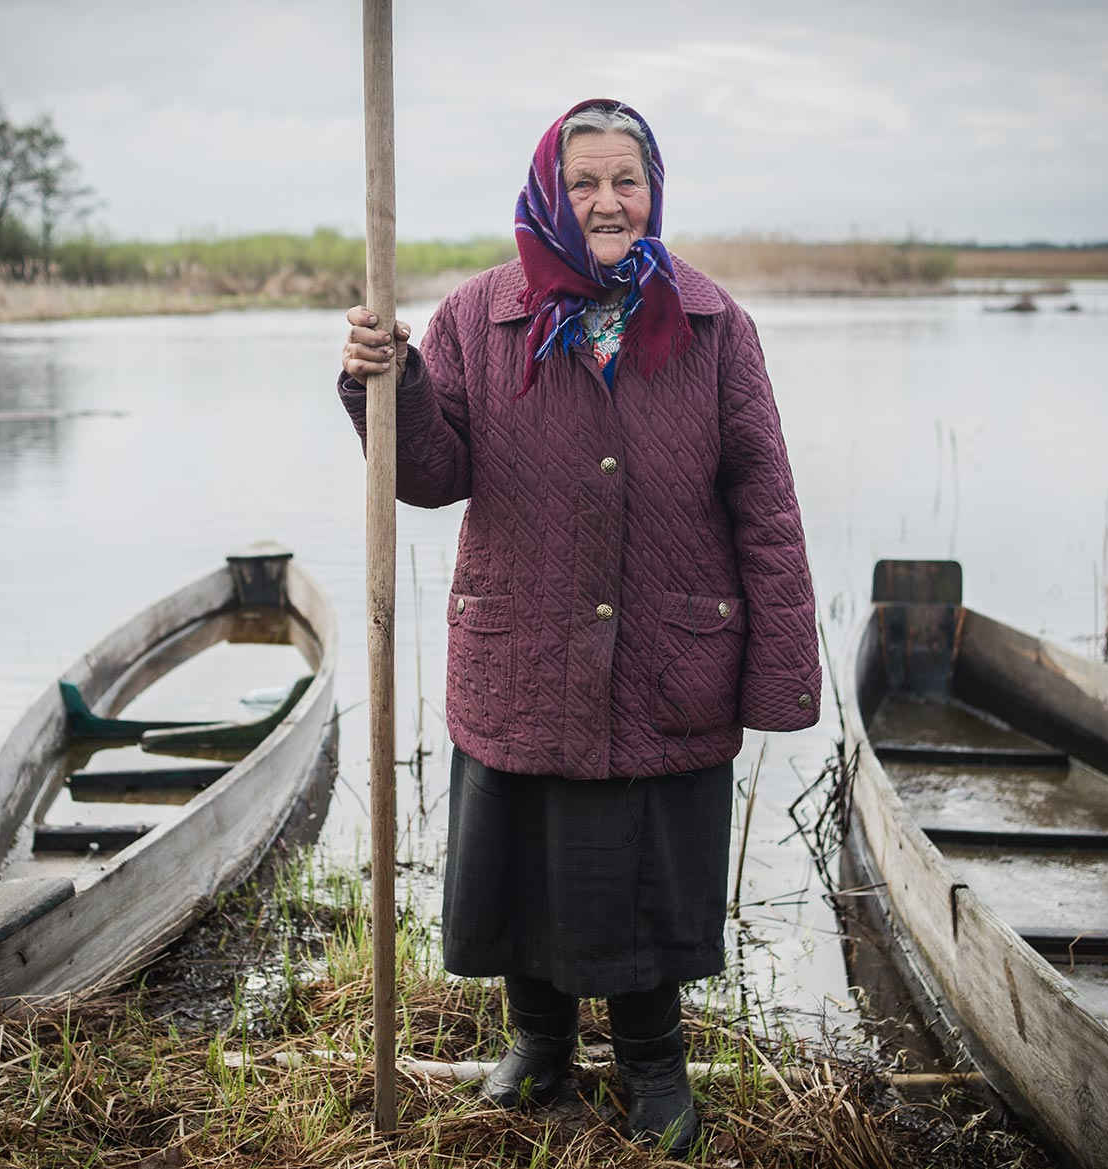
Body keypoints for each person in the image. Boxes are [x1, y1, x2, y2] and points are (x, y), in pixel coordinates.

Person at [336, 98, 822, 1149]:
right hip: (526, 647)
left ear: (655, 193)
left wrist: (780, 666)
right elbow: (430, 472)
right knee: (522, 855)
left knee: (647, 877)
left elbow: (766, 500)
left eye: (626, 182)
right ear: (550, 191)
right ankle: (539, 1042)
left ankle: (656, 1068)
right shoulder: (477, 314)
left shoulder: (713, 323)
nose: (607, 202)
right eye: (585, 182)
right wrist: (392, 382)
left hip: (665, 656)